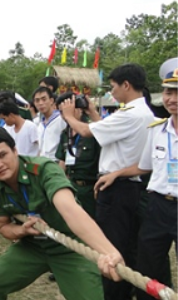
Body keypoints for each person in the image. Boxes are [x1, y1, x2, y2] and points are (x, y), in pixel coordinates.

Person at [0, 126, 124, 300]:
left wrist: (109, 252)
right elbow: (3, 226)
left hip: (69, 246)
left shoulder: (44, 170)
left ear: (15, 150)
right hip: (33, 247)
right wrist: (23, 231)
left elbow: (70, 210)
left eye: (2, 155)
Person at [60, 63, 154, 300]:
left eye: (113, 87)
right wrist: (93, 114)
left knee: (110, 247)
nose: (112, 92)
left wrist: (69, 116)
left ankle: (114, 294)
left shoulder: (130, 114)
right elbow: (109, 133)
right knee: (128, 244)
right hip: (131, 186)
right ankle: (129, 289)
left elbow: (86, 132)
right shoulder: (145, 113)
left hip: (117, 189)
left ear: (126, 85)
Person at [94, 58, 177, 300]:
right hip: (158, 206)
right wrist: (116, 174)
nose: (172, 98)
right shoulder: (157, 130)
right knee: (149, 265)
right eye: (168, 91)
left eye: (177, 92)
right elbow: (143, 166)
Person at [55, 92, 101, 219]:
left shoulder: (93, 129)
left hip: (91, 189)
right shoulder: (65, 133)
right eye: (61, 112)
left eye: (66, 110)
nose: (64, 116)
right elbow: (62, 162)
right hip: (72, 186)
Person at [34, 86, 66, 160]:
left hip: (56, 163)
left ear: (51, 100)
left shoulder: (61, 119)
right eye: (37, 100)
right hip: (42, 164)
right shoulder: (40, 124)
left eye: (44, 99)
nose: (41, 103)